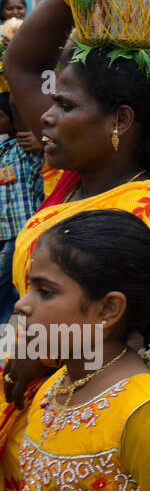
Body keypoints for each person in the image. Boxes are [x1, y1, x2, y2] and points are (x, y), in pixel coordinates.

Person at [1, 0, 150, 491]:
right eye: (50, 102)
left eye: (65, 105)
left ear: (119, 121)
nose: (45, 116)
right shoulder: (69, 178)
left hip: (103, 426)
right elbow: (21, 63)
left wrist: (45, 355)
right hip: (45, 408)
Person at [13, 209, 150, 491]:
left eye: (44, 291)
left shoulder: (149, 413)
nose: (22, 304)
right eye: (29, 287)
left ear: (108, 309)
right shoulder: (54, 388)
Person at [0, 96, 44, 325]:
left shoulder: (24, 149)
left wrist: (11, 83)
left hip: (20, 232)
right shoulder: (3, 150)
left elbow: (17, 103)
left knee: (14, 282)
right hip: (3, 234)